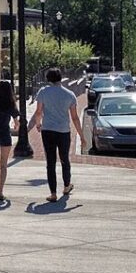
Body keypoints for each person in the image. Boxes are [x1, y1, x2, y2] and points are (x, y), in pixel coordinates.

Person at [30, 68, 86, 203]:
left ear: (48, 78)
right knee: (64, 159)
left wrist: (38, 124)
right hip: (63, 131)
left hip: (48, 130)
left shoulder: (43, 92)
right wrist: (82, 136)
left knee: (50, 162)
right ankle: (67, 186)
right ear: (61, 78)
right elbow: (75, 118)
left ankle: (53, 193)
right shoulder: (70, 94)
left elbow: (38, 112)